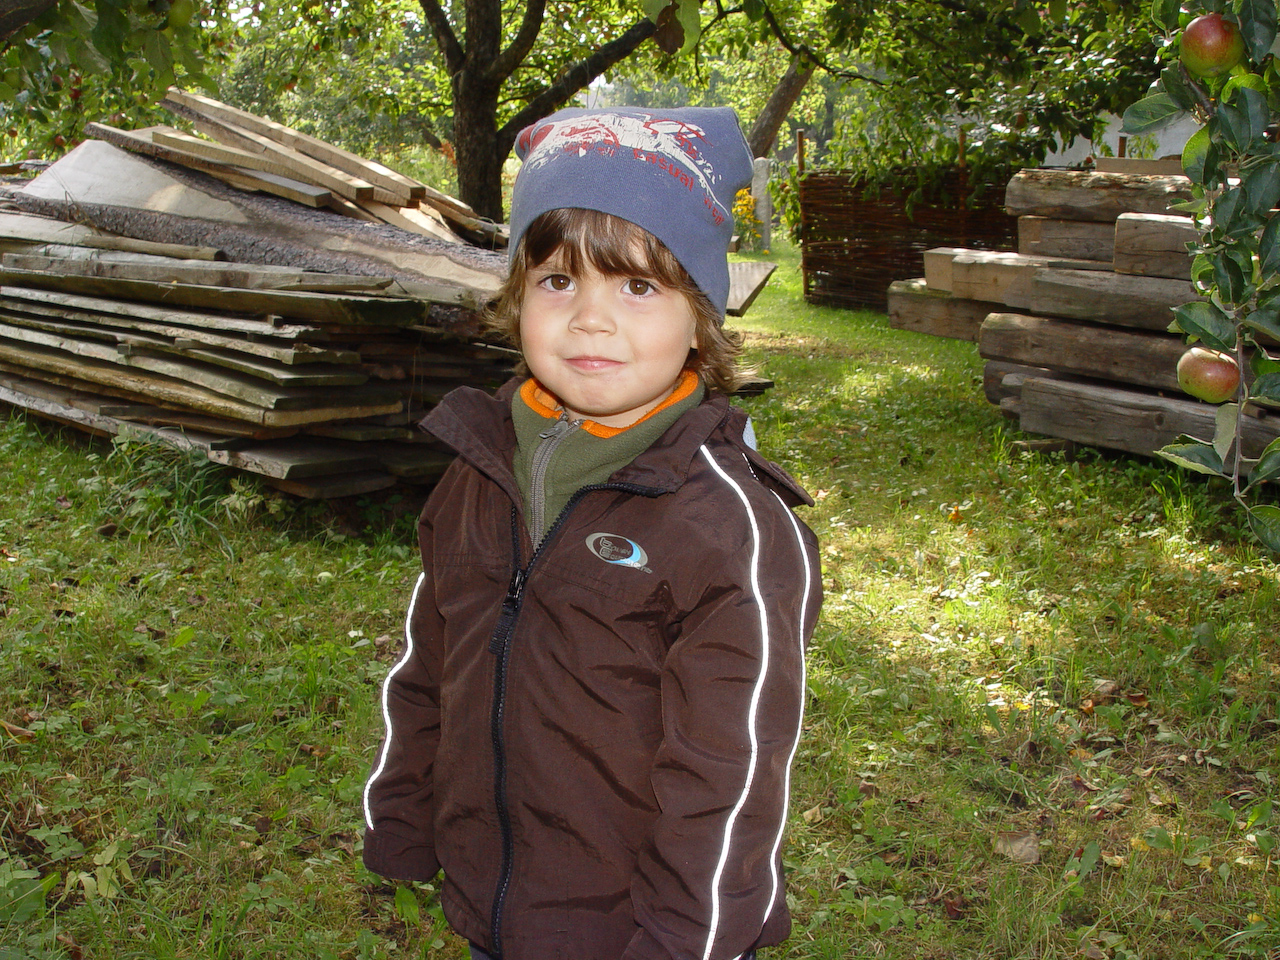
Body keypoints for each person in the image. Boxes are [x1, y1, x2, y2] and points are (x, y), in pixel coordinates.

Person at [361, 106, 822, 960]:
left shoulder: (730, 529)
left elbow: (734, 773)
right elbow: (429, 662)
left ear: (701, 316)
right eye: (557, 281)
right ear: (516, 297)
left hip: (646, 929)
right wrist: (402, 811)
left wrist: (684, 941)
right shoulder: (478, 469)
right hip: (497, 903)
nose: (590, 318)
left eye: (638, 286)